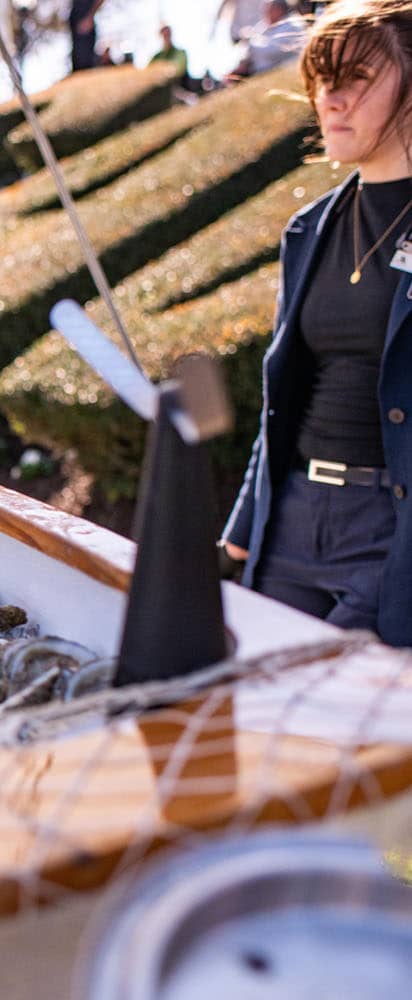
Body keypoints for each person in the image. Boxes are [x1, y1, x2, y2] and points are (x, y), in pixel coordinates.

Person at [223, 0, 412, 649]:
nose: (329, 99)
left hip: (391, 530)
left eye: (355, 77)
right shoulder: (308, 229)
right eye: (321, 80)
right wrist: (245, 525)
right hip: (294, 517)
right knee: (252, 704)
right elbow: (283, 393)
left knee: (336, 717)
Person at [231, 0, 307, 78]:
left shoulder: (293, 25)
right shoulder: (265, 25)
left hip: (285, 69)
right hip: (258, 69)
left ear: (279, 10)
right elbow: (254, 39)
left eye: (269, 10)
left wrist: (250, 42)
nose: (265, 13)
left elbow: (275, 51)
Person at [71, 1, 107, 72]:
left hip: (86, 20)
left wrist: (90, 17)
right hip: (75, 20)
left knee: (85, 61)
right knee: (77, 59)